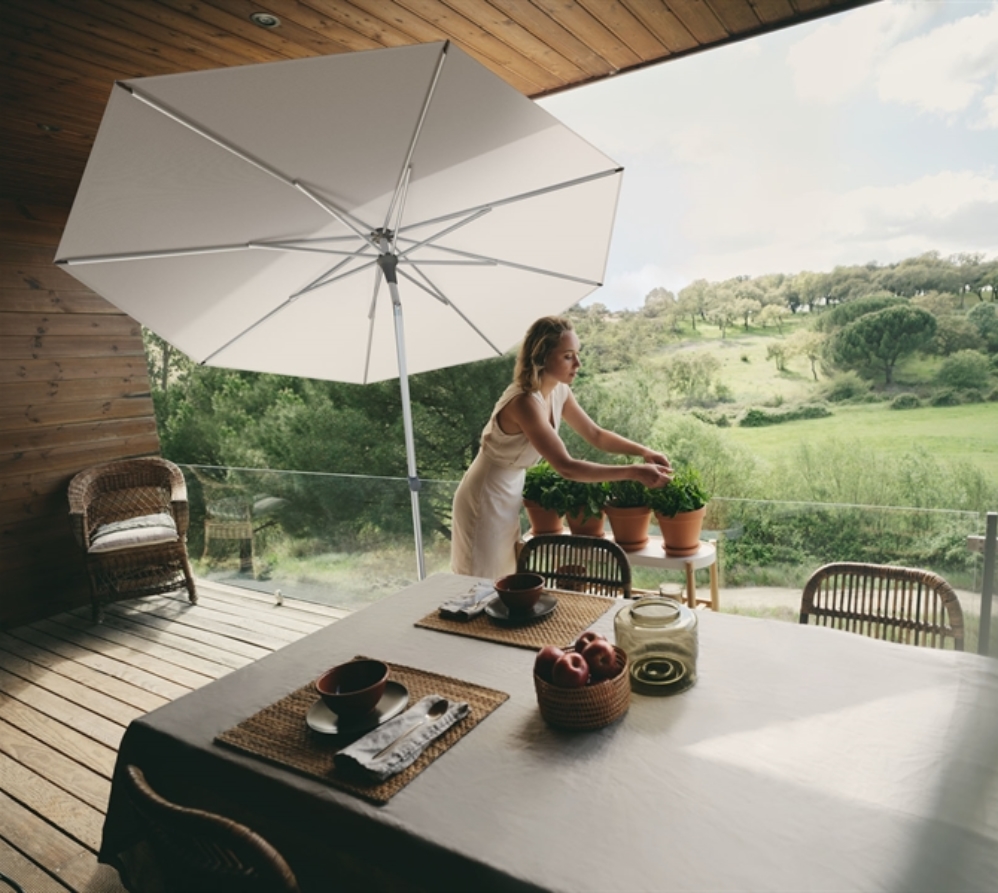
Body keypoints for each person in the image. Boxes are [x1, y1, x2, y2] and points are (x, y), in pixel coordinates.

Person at [451, 315, 672, 579]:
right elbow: (566, 467)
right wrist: (635, 472)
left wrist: (643, 451)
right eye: (568, 356)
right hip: (485, 493)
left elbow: (596, 434)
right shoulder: (524, 402)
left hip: (509, 491)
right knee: (480, 581)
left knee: (504, 577)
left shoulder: (559, 390)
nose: (577, 363)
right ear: (541, 356)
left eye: (577, 354)